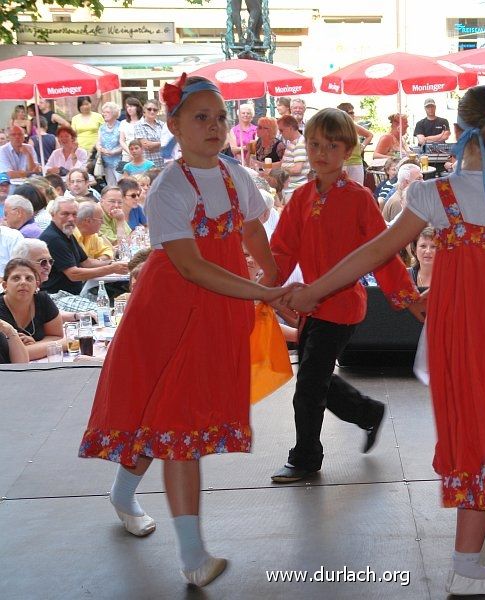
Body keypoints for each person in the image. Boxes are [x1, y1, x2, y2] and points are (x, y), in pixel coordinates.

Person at [284, 85, 485, 596]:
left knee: (476, 422)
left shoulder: (432, 196)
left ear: (458, 133)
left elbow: (372, 254)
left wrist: (314, 290)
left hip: (459, 332)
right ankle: (468, 560)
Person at [78, 74, 285, 588]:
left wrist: (274, 278)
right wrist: (261, 291)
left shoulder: (235, 173)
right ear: (174, 125)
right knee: (174, 424)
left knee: (171, 418)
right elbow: (191, 266)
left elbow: (254, 228)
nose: (214, 126)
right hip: (170, 315)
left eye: (219, 117)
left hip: (219, 311)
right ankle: (193, 557)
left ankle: (123, 495)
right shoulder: (170, 184)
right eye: (201, 117)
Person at [268, 107, 421, 485]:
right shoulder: (301, 198)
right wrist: (266, 288)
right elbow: (282, 249)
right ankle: (368, 413)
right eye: (315, 144)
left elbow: (382, 253)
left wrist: (408, 297)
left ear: (348, 149)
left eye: (331, 145)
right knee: (315, 378)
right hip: (309, 307)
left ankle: (305, 458)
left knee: (308, 386)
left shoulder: (359, 198)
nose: (321, 152)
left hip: (342, 307)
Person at [39, 196, 128, 295]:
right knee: (101, 308)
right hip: (56, 296)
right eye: (65, 214)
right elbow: (74, 274)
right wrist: (112, 268)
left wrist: (113, 264)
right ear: (52, 214)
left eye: (74, 214)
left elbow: (86, 262)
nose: (71, 218)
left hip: (74, 293)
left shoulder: (67, 233)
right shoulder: (54, 238)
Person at [0, 258, 63, 361]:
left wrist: (36, 344)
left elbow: (57, 336)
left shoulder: (43, 300)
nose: (23, 282)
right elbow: (11, 357)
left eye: (29, 278)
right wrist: (60, 344)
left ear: (36, 285)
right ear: (5, 285)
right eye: (16, 278)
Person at [337, 103, 373, 185]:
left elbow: (369, 135)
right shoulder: (335, 128)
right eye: (351, 113)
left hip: (356, 163)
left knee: (358, 189)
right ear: (344, 114)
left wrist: (362, 146)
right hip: (341, 164)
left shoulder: (354, 126)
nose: (354, 115)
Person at [277, 114, 310, 201]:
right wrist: (261, 165)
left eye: (281, 130)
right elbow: (282, 164)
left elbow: (297, 169)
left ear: (290, 128)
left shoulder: (300, 144)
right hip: (291, 189)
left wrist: (282, 169)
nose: (280, 133)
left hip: (295, 190)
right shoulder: (293, 143)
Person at [96, 102, 123, 187]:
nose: (104, 114)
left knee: (121, 184)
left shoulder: (121, 125)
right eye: (103, 112)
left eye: (107, 112)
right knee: (111, 185)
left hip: (120, 161)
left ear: (114, 113)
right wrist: (100, 149)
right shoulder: (102, 127)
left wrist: (114, 152)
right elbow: (98, 142)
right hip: (106, 161)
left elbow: (124, 143)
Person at [134, 99, 164, 169]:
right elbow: (147, 146)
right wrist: (162, 142)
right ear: (144, 110)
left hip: (163, 164)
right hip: (147, 166)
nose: (152, 111)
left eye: (155, 110)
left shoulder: (162, 125)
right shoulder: (139, 125)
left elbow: (169, 141)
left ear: (158, 111)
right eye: (149, 109)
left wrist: (155, 144)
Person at [118, 97, 144, 171]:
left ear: (137, 107)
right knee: (124, 178)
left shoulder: (143, 122)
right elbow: (121, 140)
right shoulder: (123, 122)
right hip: (126, 154)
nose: (129, 108)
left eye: (131, 106)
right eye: (127, 107)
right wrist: (130, 152)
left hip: (141, 154)